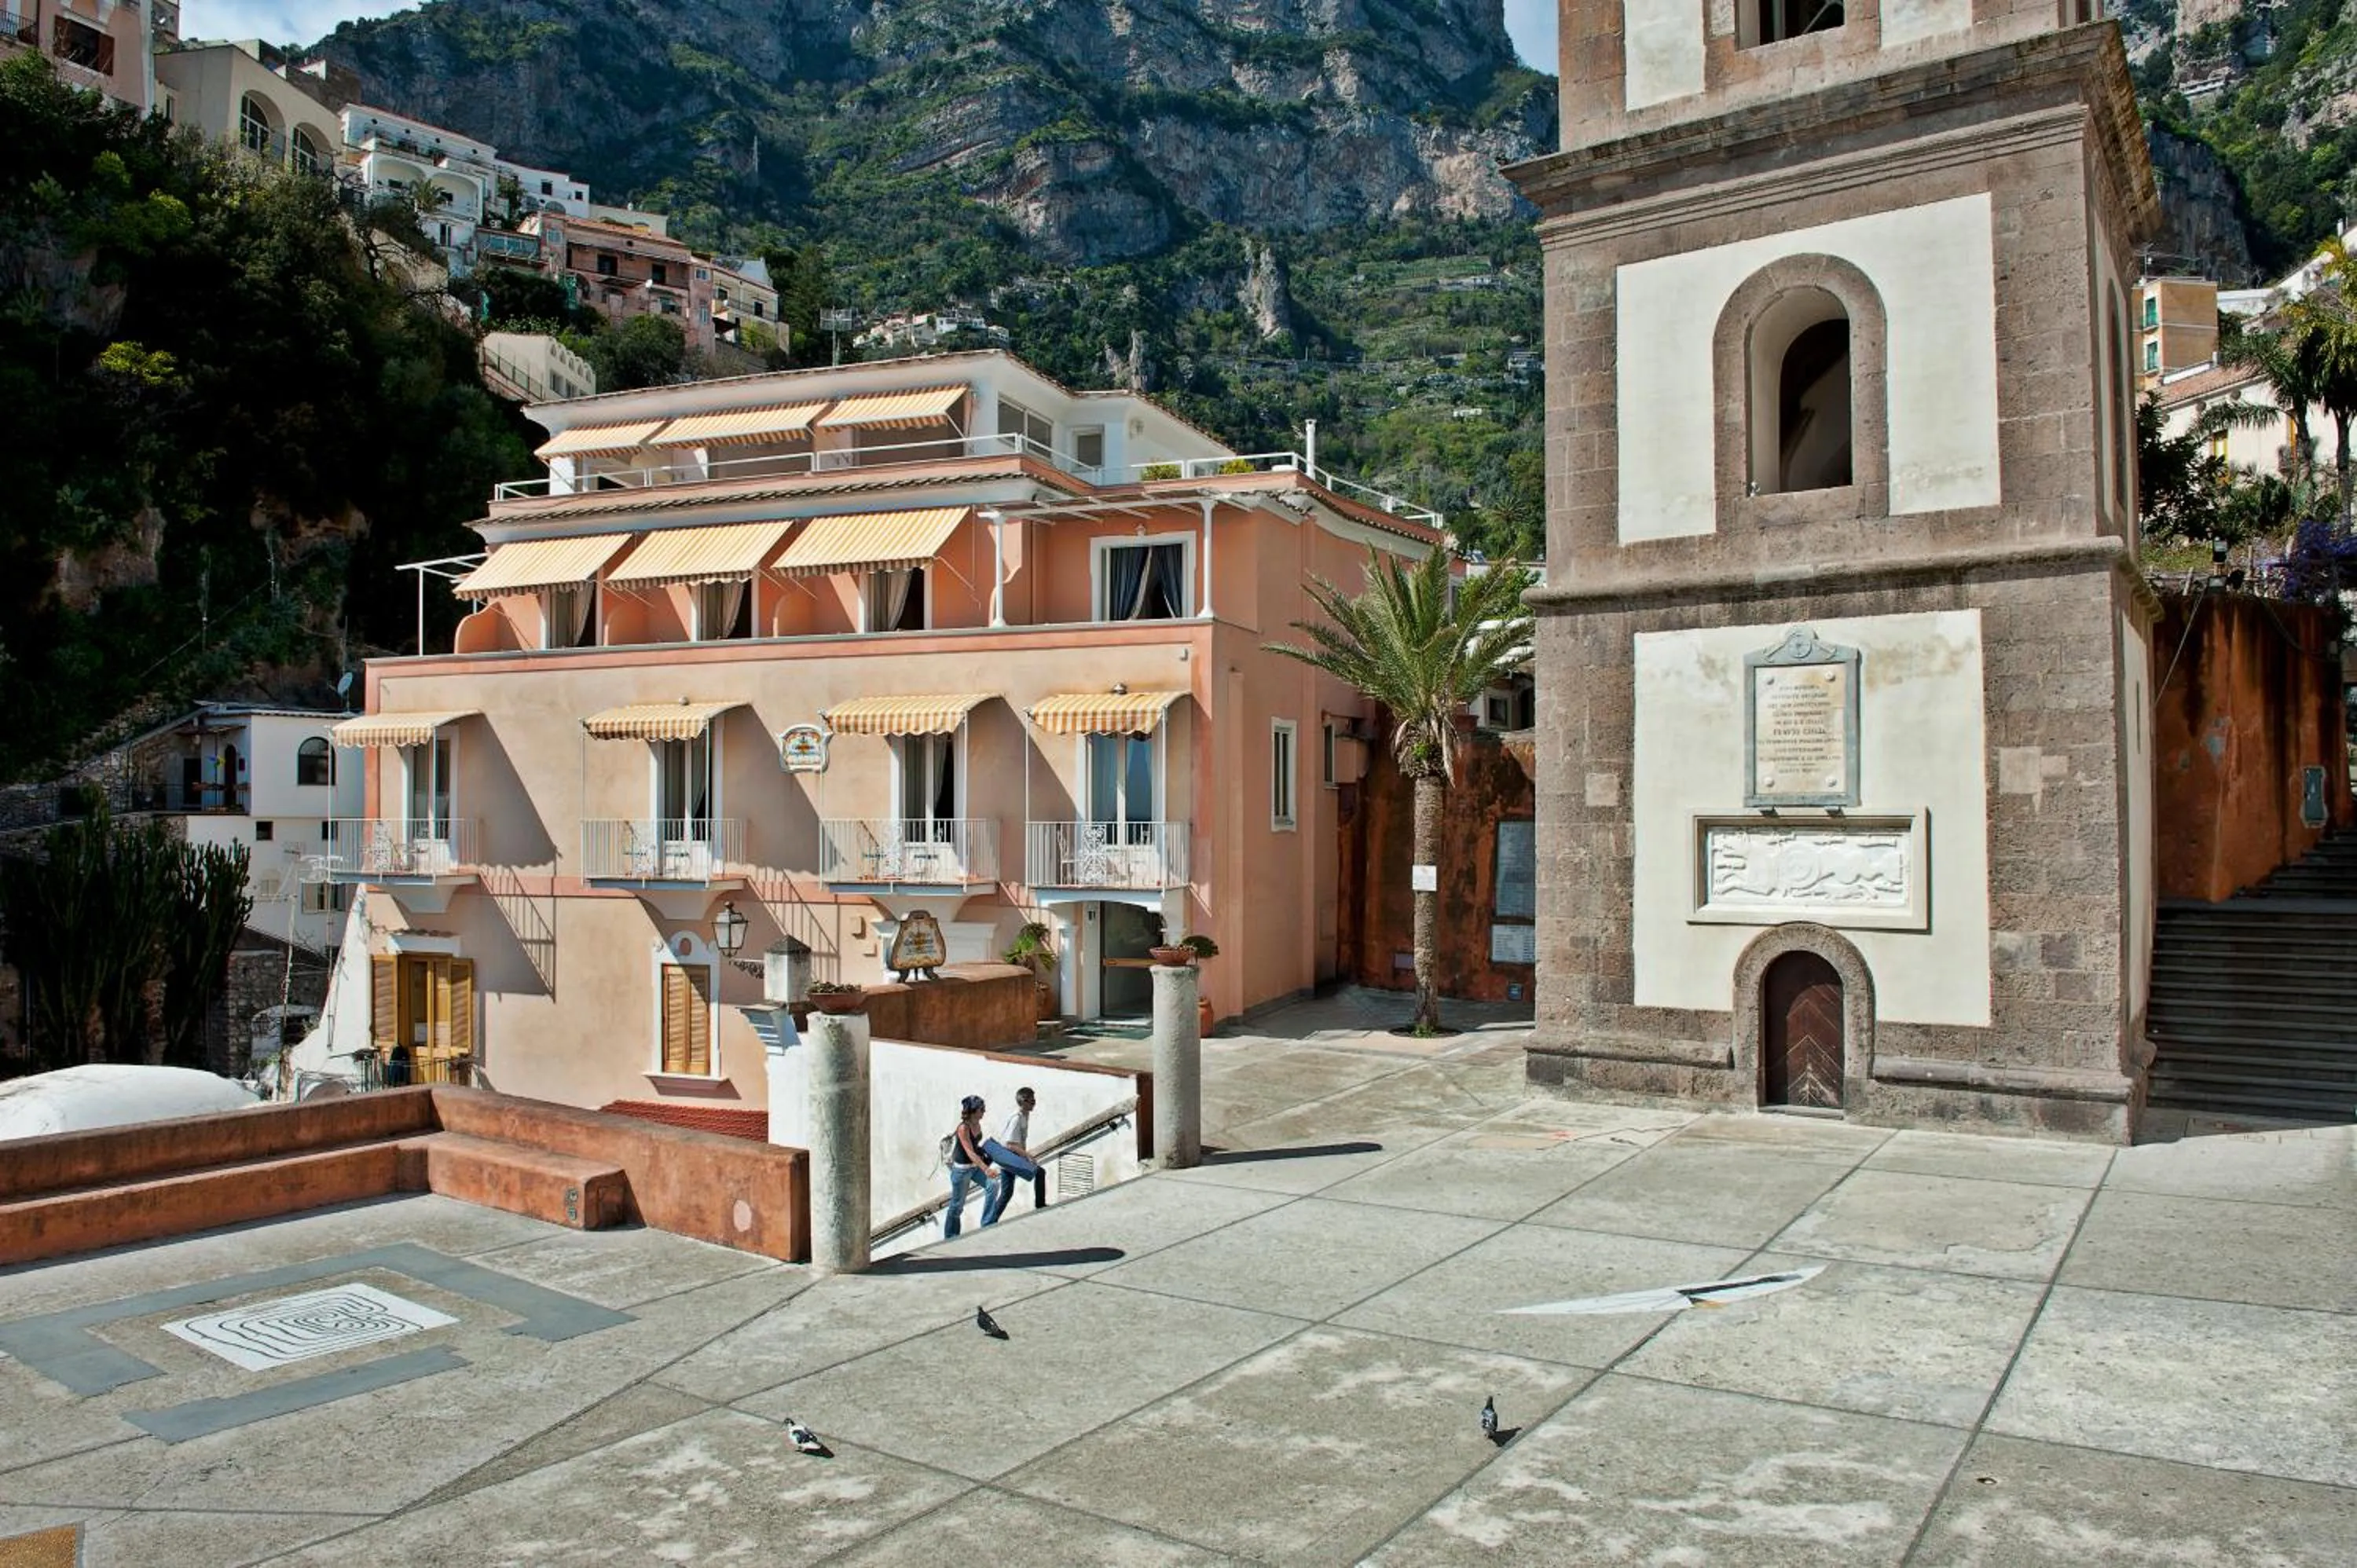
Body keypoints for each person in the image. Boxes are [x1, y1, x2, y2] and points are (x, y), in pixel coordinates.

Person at [944, 1095, 1004, 1238]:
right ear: (973, 1111)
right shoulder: (963, 1128)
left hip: (974, 1167)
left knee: (993, 1185)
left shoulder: (977, 1124)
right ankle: (951, 1237)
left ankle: (988, 1223)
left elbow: (975, 1147)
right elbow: (970, 1152)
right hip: (962, 1171)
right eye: (981, 1109)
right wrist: (986, 1169)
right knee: (957, 1206)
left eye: (984, 1109)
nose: (984, 1112)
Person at [992, 1086, 1047, 1215]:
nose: (1035, 1103)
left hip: (1012, 1158)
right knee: (1039, 1172)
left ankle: (990, 1220)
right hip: (1011, 1158)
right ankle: (1040, 1205)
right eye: (1032, 1101)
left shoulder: (1024, 1115)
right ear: (1024, 1101)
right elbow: (1010, 1144)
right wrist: (1028, 1156)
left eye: (1034, 1100)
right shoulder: (1017, 1118)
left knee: (1006, 1193)